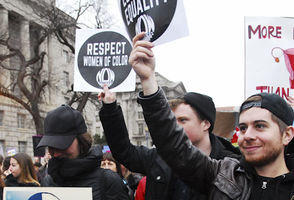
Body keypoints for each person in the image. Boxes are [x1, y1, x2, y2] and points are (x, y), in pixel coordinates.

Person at [129, 32, 294, 199]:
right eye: (243, 128)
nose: (248, 135)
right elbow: (172, 144)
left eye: (260, 126)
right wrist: (148, 78)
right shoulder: (224, 176)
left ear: (287, 134)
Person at [99, 76, 239, 199]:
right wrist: (110, 108)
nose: (175, 126)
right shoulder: (158, 157)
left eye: (183, 120)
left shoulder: (231, 166)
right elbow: (123, 151)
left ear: (205, 124)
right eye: (173, 120)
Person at [36, 104, 130, 200]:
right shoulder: (48, 181)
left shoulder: (108, 181)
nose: (55, 153)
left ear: (81, 141)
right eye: (51, 146)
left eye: (62, 145)